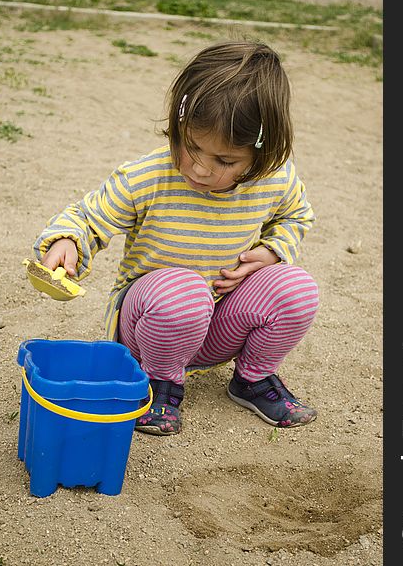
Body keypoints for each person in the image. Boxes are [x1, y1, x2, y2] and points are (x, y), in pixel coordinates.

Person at [34, 41, 319, 436]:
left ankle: (252, 378)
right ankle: (158, 384)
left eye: (225, 161)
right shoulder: (148, 176)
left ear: (262, 154)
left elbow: (296, 215)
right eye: (193, 146)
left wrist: (272, 250)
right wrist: (66, 242)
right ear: (179, 122)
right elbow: (86, 217)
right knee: (183, 291)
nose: (201, 169)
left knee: (297, 288)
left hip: (216, 324)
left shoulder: (274, 177)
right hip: (151, 323)